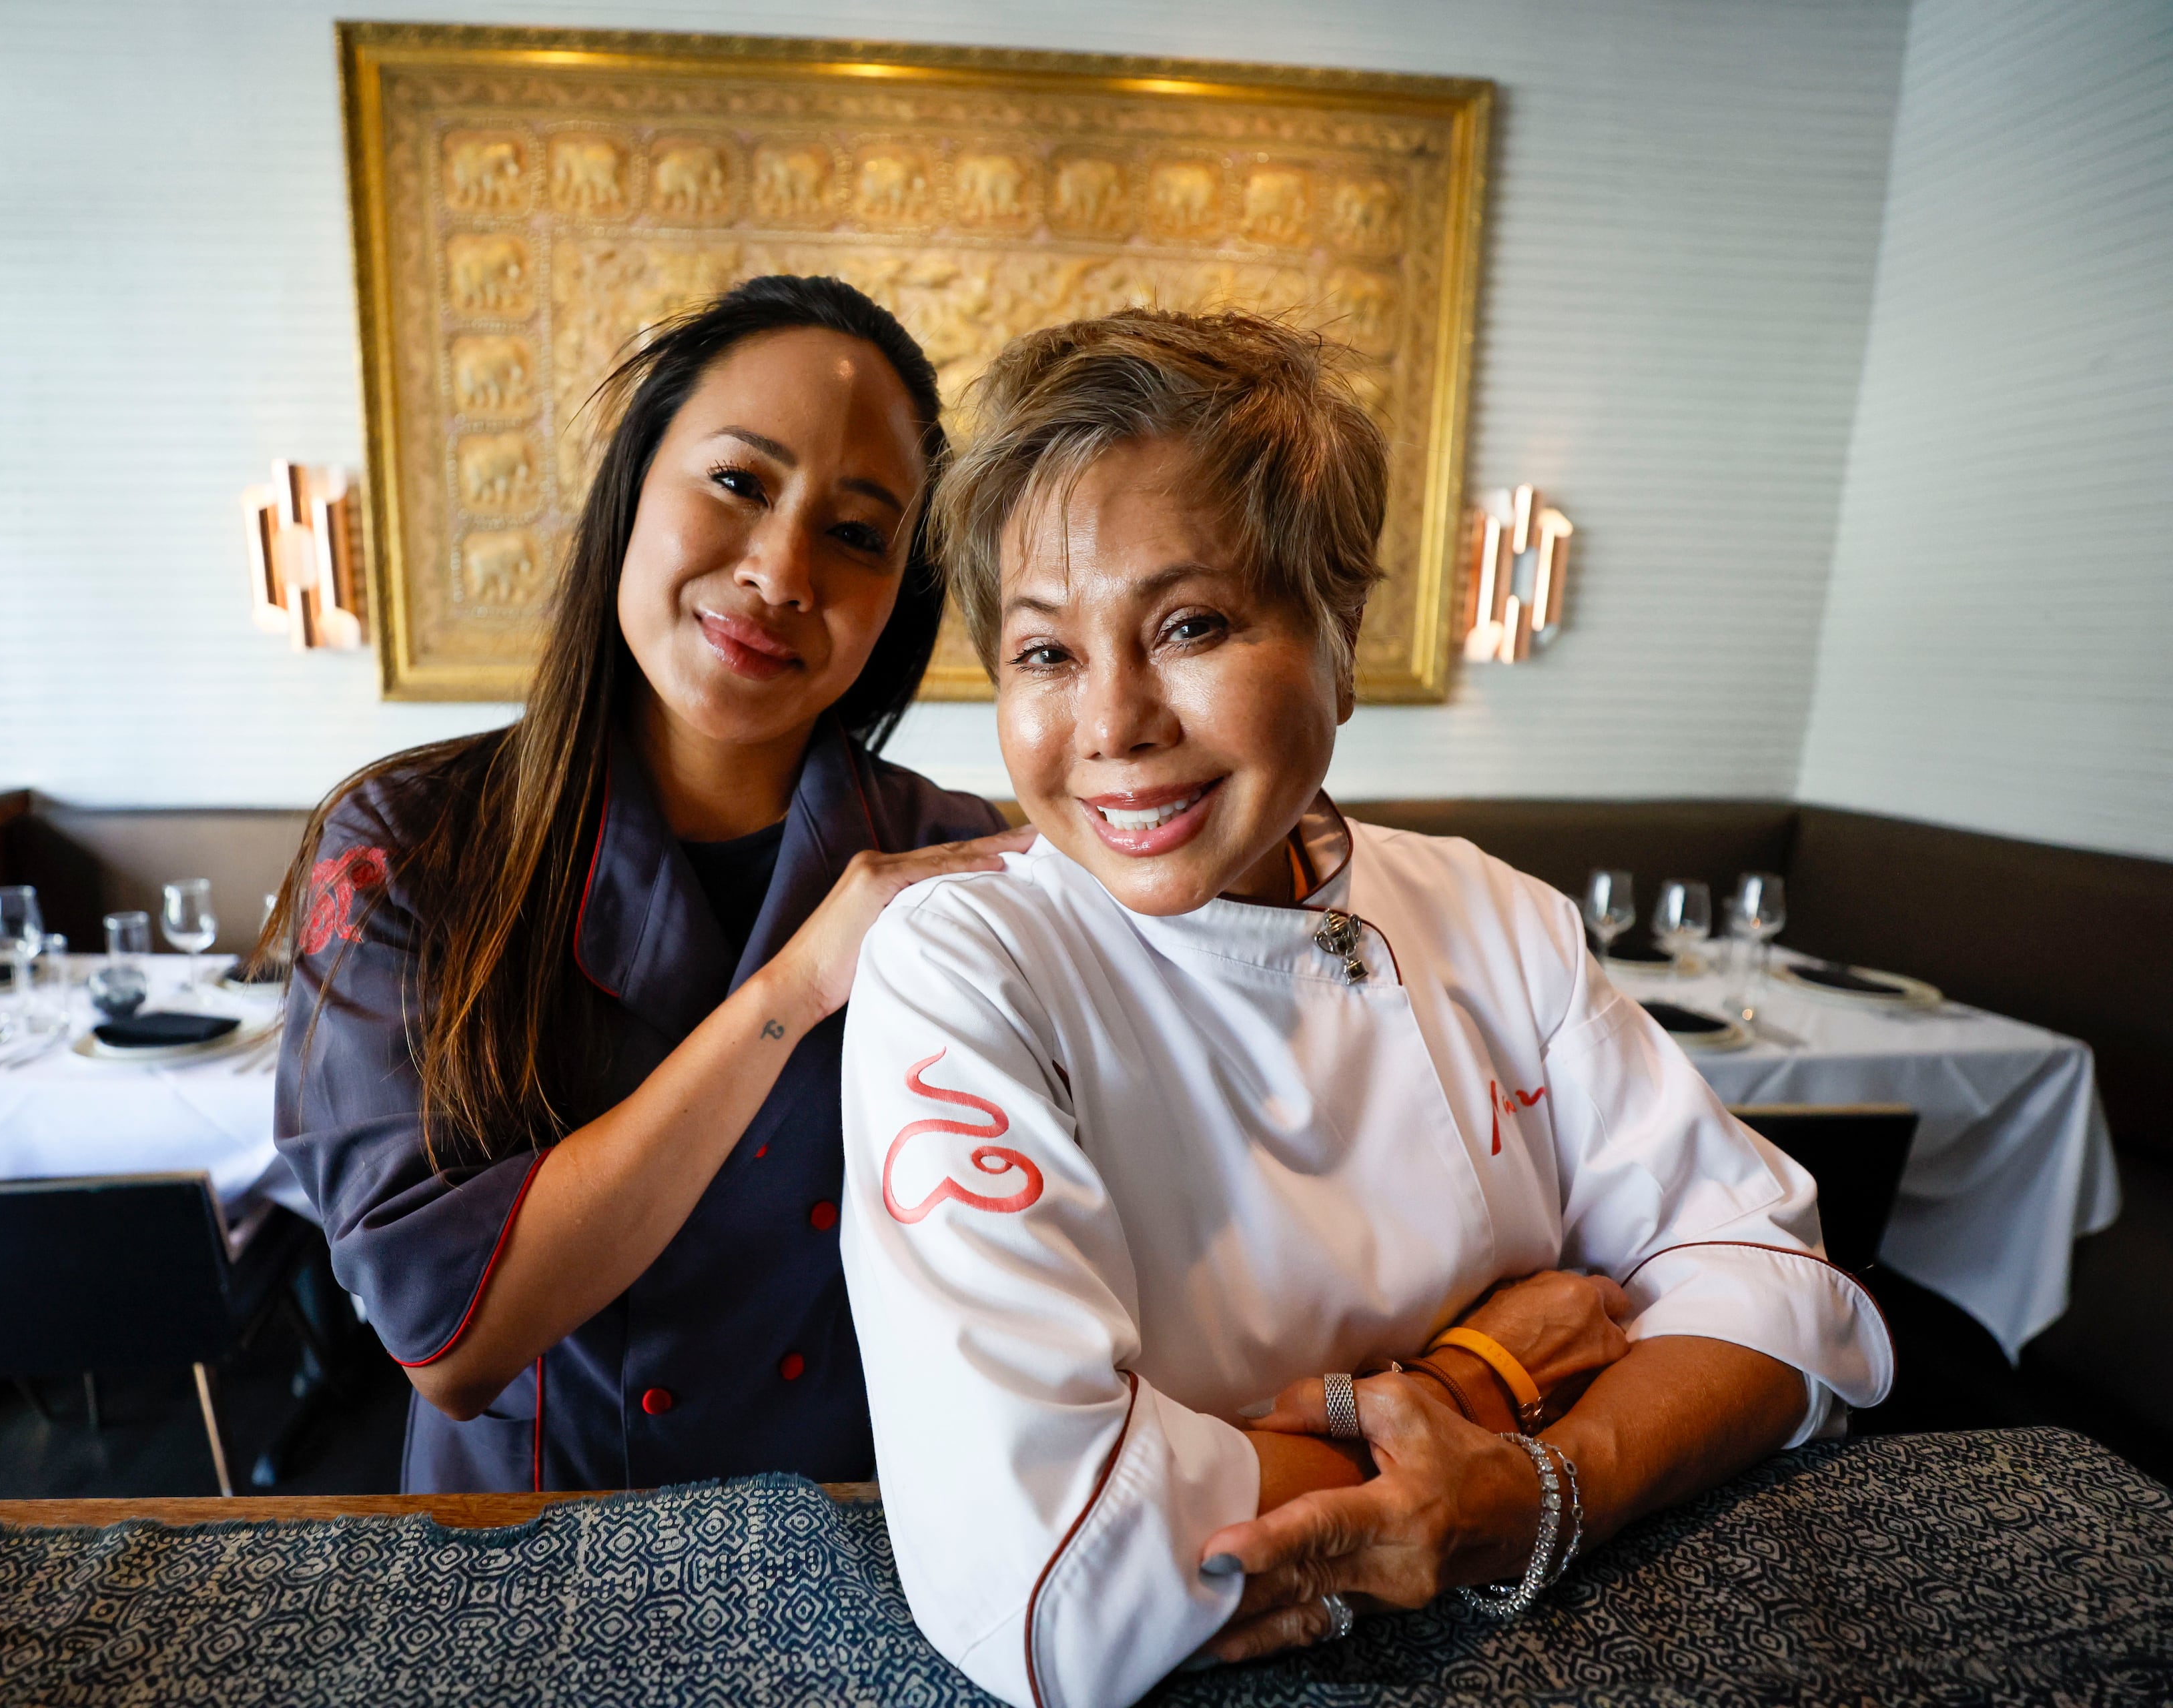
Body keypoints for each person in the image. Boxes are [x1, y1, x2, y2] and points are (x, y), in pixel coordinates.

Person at [837, 309, 1893, 1708]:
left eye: (1191, 625)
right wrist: (1488, 1379)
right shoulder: (962, 964)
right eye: (1045, 654)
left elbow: (1778, 1297)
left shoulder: (1493, 914)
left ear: (1340, 635)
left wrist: (1534, 1493)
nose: (1111, 722)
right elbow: (1060, 1566)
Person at [266, 276, 1023, 1492]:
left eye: (857, 533)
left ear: (902, 598)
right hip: (529, 1554)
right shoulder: (406, 845)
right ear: (633, 488)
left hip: (854, 1537)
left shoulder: (954, 855)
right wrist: (795, 988)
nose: (782, 574)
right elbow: (444, 1334)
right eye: (739, 483)